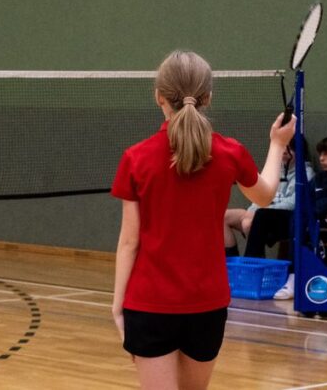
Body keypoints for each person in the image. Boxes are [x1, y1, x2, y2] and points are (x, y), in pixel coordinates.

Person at [111, 51, 295, 390]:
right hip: (207, 307)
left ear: (159, 97)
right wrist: (277, 143)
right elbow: (265, 196)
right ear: (208, 97)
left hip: (149, 304)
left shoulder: (135, 159)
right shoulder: (229, 152)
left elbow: (129, 242)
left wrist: (117, 305)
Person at [222, 139, 313, 258]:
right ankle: (231, 261)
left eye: (290, 149)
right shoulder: (275, 170)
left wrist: (262, 210)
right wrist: (252, 211)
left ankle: (253, 262)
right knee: (223, 216)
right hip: (262, 212)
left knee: (253, 220)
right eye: (283, 147)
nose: (285, 151)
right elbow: (260, 194)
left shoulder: (306, 173)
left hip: (284, 218)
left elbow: (293, 203)